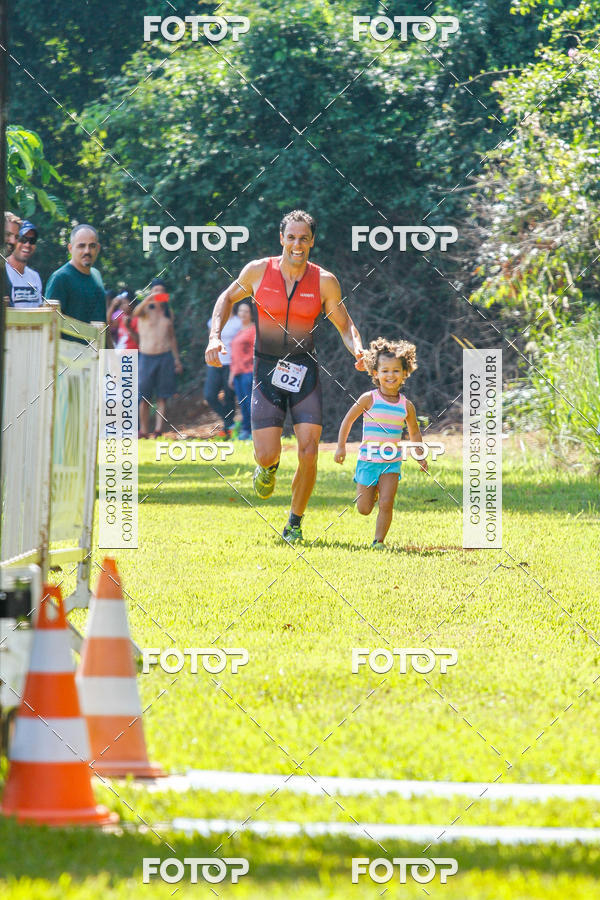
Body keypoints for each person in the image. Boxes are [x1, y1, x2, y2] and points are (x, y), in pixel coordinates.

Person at [205, 209, 365, 543]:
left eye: (303, 238)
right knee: (266, 452)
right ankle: (268, 467)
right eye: (291, 237)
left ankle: (295, 522)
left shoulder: (324, 281)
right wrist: (214, 337)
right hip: (266, 370)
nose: (297, 244)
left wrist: (358, 350)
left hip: (304, 370)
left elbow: (345, 324)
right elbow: (226, 297)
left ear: (312, 241)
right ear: (281, 238)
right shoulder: (258, 271)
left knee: (309, 450)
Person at [334, 337, 428, 549]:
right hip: (368, 460)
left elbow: (414, 432)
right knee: (364, 508)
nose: (390, 375)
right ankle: (370, 490)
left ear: (405, 373)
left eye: (396, 371)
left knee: (387, 502)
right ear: (375, 373)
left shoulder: (407, 406)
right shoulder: (369, 398)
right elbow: (348, 420)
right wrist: (341, 446)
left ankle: (379, 541)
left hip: (391, 462)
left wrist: (420, 456)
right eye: (385, 371)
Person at [133, 291, 182, 438]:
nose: (158, 296)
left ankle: (158, 430)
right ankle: (143, 430)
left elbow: (172, 338)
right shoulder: (146, 310)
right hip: (146, 357)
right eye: (156, 293)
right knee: (144, 396)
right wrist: (148, 300)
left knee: (163, 395)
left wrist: (177, 359)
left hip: (165, 356)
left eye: (161, 293)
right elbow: (136, 313)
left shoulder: (168, 313)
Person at [45, 224, 105, 323]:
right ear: (70, 248)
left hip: (97, 338)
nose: (87, 251)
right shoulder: (60, 278)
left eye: (92, 246)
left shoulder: (96, 275)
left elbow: (102, 321)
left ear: (98, 248)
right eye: (81, 246)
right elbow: (49, 322)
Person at [204, 310, 241, 439]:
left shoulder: (238, 322)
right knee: (209, 395)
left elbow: (240, 344)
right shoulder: (214, 322)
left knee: (229, 396)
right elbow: (211, 341)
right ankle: (230, 423)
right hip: (215, 364)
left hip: (231, 363)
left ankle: (228, 429)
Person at [228, 299, 255, 440]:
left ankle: (254, 433)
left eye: (246, 311)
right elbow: (234, 355)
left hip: (248, 373)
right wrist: (231, 375)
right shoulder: (238, 332)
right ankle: (245, 431)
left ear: (251, 314)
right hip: (237, 374)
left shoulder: (253, 330)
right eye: (240, 311)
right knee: (243, 404)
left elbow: (255, 352)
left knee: (251, 404)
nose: (243, 314)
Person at [5, 220, 43, 308]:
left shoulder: (35, 277)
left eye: (32, 241)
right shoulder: (3, 272)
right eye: (23, 239)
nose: (27, 244)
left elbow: (40, 309)